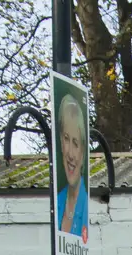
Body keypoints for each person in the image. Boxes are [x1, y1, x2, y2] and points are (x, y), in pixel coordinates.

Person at [57, 95, 88, 239]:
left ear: (83, 151)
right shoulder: (57, 202)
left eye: (75, 143)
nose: (70, 153)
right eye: (66, 139)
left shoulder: (88, 205)